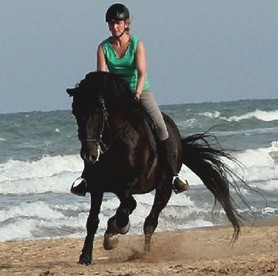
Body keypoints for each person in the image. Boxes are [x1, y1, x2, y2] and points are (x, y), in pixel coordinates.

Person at [71, 3, 189, 196]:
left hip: (140, 92)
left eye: (118, 23)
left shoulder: (137, 44)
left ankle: (173, 175)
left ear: (126, 24)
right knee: (94, 130)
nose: (114, 27)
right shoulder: (103, 47)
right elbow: (103, 77)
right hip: (116, 96)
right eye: (111, 23)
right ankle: (86, 178)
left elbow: (142, 73)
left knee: (160, 126)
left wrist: (136, 92)